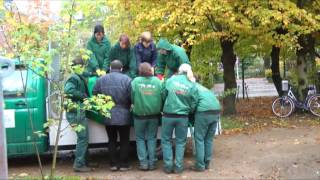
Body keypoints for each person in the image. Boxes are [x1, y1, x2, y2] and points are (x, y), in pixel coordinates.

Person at [93, 60, 132, 171]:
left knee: (111, 140)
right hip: (124, 113)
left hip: (108, 113)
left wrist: (103, 105)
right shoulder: (127, 79)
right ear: (121, 69)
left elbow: (94, 94)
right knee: (124, 140)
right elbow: (132, 96)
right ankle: (124, 165)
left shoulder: (101, 80)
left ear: (110, 68)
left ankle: (113, 164)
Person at [161, 63, 198, 174]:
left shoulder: (171, 80)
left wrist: (165, 105)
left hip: (168, 115)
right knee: (181, 142)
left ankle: (168, 166)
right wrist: (188, 110)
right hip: (183, 117)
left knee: (166, 140)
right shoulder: (192, 84)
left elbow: (163, 93)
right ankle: (178, 167)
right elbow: (194, 102)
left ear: (179, 70)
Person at [131, 63, 162, 171]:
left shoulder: (135, 81)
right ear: (150, 70)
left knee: (139, 139)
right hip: (154, 115)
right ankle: (152, 163)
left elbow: (131, 96)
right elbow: (163, 95)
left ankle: (143, 163)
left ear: (140, 71)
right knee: (152, 138)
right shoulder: (158, 81)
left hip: (139, 115)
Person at [64, 57, 91, 172]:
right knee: (83, 138)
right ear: (79, 67)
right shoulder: (73, 78)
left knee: (84, 138)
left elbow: (86, 73)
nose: (84, 68)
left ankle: (85, 162)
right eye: (83, 66)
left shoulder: (78, 76)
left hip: (78, 111)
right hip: (76, 112)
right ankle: (79, 165)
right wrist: (83, 95)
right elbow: (69, 91)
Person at [192, 83, 221, 172]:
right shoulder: (203, 88)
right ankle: (207, 163)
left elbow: (193, 104)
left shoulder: (193, 88)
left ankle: (200, 165)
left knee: (199, 138)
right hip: (216, 111)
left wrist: (190, 112)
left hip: (204, 112)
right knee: (209, 139)